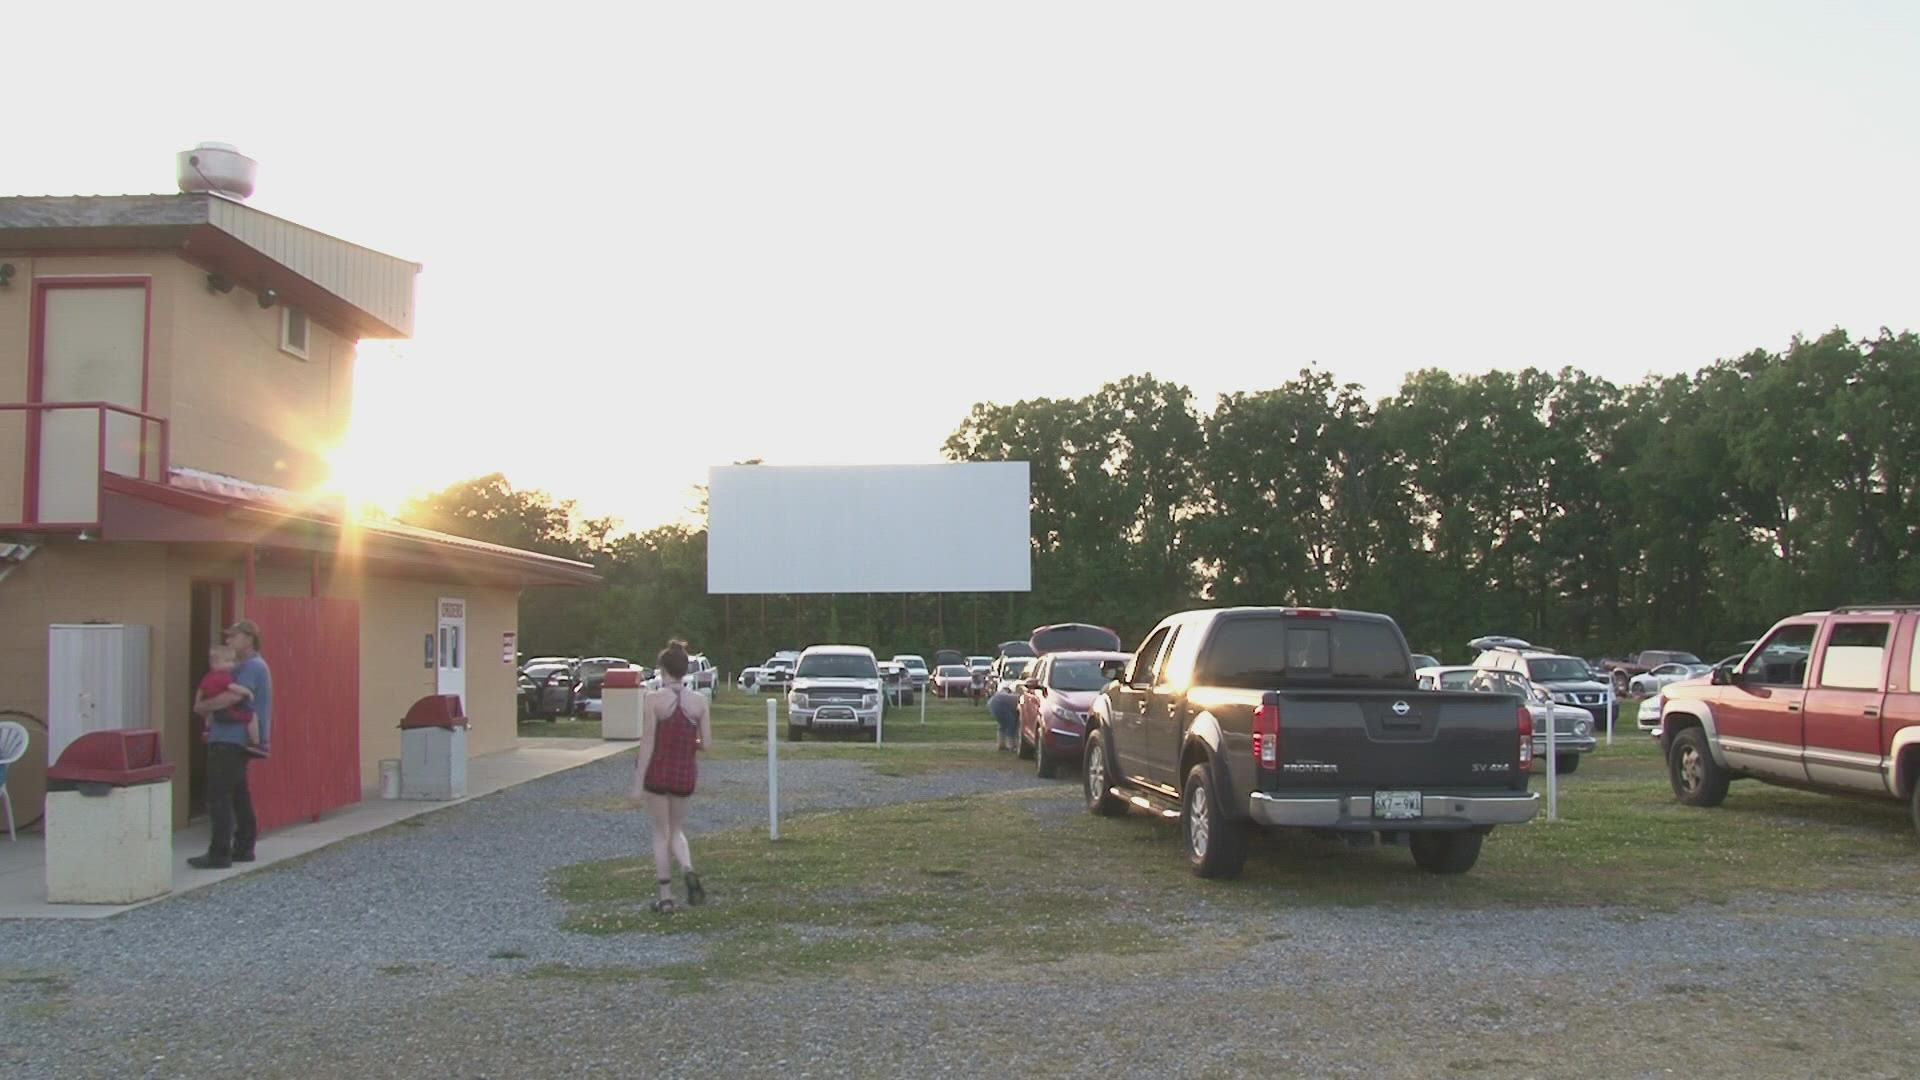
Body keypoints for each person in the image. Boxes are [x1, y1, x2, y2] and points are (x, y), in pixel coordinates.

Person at [628, 639, 712, 914]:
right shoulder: (699, 702)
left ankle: (666, 897)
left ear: (663, 670)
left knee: (659, 832)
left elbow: (648, 743)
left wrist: (637, 785)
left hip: (657, 774)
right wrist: (690, 742)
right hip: (684, 774)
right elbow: (707, 744)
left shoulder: (654, 700)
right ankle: (687, 868)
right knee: (676, 831)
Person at [189, 620, 272, 869]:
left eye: (233, 637)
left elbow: (233, 696)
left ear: (248, 639)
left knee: (219, 796)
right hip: (230, 738)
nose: (228, 642)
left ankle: (220, 853)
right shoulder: (240, 667)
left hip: (231, 738)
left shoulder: (251, 667)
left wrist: (202, 707)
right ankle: (244, 847)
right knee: (238, 794)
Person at [195, 645, 261, 752]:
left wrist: (197, 702)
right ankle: (255, 742)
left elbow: (200, 690)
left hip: (215, 713)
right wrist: (247, 691)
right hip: (227, 711)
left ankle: (207, 729)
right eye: (227, 661)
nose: (232, 664)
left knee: (209, 714)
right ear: (215, 663)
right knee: (252, 716)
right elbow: (232, 687)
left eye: (232, 661)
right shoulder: (224, 676)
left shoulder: (207, 677)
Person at [987, 681, 1019, 752]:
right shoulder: (1018, 698)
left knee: (1002, 725)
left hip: (992, 703)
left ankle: (1001, 745)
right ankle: (1012, 745)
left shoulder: (1010, 695)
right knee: (1011, 724)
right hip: (999, 704)